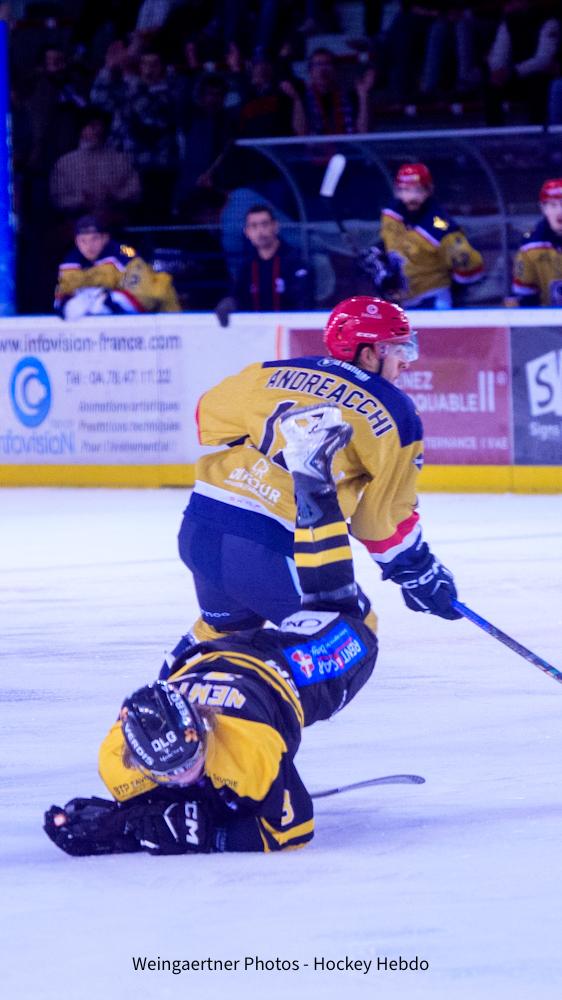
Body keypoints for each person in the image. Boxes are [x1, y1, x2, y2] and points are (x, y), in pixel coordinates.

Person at [43, 405, 383, 855]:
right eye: (171, 773)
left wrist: (198, 833)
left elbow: (290, 831)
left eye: (191, 760)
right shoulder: (118, 755)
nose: (187, 777)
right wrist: (123, 825)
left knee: (349, 620)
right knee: (192, 659)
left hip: (289, 668)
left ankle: (312, 475)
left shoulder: (248, 745)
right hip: (198, 659)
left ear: (200, 730)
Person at [170, 295, 461, 665]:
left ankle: (163, 693)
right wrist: (419, 571)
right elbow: (379, 523)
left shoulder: (272, 371)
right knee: (349, 634)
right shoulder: (396, 412)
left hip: (200, 529)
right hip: (268, 545)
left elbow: (206, 414)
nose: (406, 360)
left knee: (225, 635)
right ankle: (267, 695)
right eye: (398, 347)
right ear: (368, 352)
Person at [380, 163, 485, 309]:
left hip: (433, 299)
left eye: (417, 190)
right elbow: (390, 240)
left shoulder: (439, 225)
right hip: (403, 301)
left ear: (429, 190)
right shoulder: (392, 213)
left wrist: (457, 289)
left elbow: (469, 263)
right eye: (404, 190)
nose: (410, 197)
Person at [54, 214, 181, 318]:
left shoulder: (124, 252)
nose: (89, 246)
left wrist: (105, 302)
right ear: (76, 241)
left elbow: (145, 296)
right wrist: (68, 305)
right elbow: (61, 298)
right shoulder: (69, 261)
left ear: (105, 238)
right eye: (83, 241)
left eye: (95, 239)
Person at [215, 204, 313, 326]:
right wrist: (229, 302)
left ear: (275, 226)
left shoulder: (295, 262)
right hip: (256, 331)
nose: (260, 231)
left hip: (288, 329)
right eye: (254, 226)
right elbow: (237, 295)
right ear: (247, 232)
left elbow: (303, 303)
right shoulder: (247, 266)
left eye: (265, 224)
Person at [512, 178, 562, 306]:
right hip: (548, 317)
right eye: (553, 205)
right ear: (544, 209)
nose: (560, 211)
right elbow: (525, 297)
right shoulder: (530, 248)